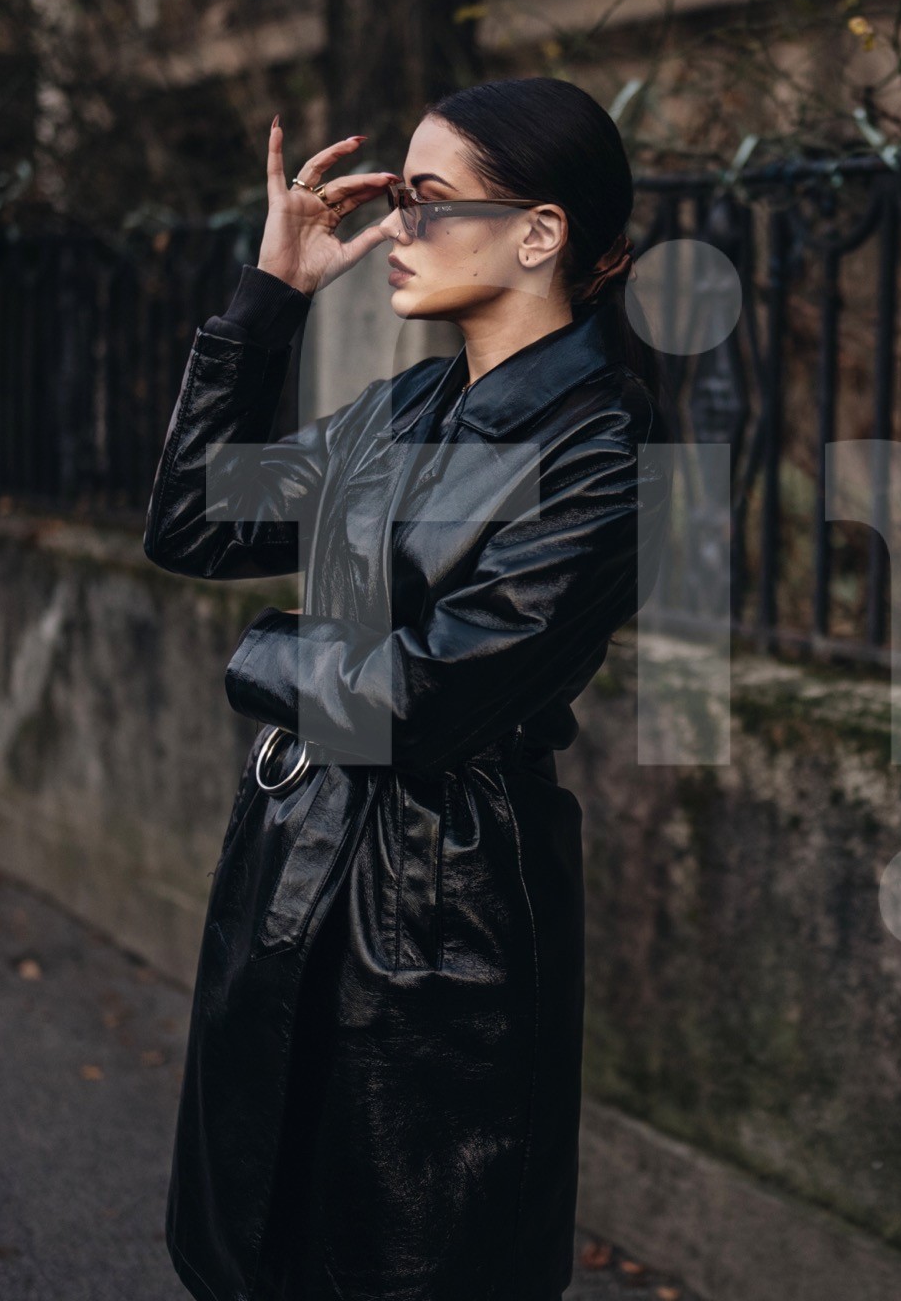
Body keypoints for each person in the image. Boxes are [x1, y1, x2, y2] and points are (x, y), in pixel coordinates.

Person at [142, 76, 671, 1301]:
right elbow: (187, 522)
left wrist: (263, 659)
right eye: (395, 200)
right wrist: (269, 297)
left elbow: (430, 707)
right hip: (290, 872)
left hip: (446, 924)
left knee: (406, 1261)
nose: (393, 232)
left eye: (427, 203)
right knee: (252, 1249)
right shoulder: (404, 410)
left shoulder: (609, 449)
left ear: (540, 233)